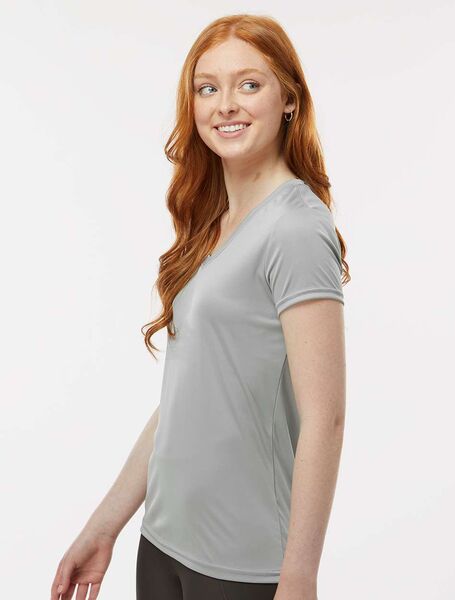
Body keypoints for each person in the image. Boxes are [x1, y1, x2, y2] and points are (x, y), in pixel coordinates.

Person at [50, 13, 350, 600]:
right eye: (207, 87)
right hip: (163, 544)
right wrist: (105, 525)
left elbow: (327, 418)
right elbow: (185, 403)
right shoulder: (212, 225)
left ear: (289, 99)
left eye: (249, 84)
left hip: (243, 566)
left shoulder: (295, 227)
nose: (225, 104)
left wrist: (299, 577)